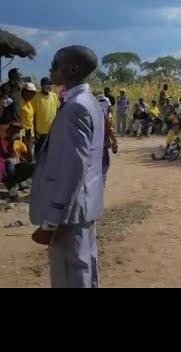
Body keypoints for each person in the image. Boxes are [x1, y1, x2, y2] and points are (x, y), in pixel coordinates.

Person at [29, 46, 105, 288]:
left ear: (71, 69)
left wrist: (51, 222)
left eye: (54, 64)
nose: (51, 70)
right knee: (84, 267)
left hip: (68, 214)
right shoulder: (89, 103)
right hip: (83, 205)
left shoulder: (76, 108)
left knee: (70, 274)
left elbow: (73, 170)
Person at [0, 122, 35, 201]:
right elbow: (9, 155)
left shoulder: (19, 143)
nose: (16, 133)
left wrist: (28, 144)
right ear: (8, 131)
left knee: (33, 165)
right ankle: (12, 188)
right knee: (9, 162)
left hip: (15, 170)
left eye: (17, 131)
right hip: (5, 171)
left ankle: (17, 184)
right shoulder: (2, 141)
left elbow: (29, 159)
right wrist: (12, 141)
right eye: (13, 131)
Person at [33, 77, 60, 157]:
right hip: (40, 132)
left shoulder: (54, 96)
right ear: (42, 86)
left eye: (50, 85)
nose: (49, 87)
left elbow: (58, 110)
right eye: (47, 85)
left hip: (53, 131)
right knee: (40, 154)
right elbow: (33, 115)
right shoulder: (36, 97)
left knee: (51, 153)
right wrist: (34, 130)